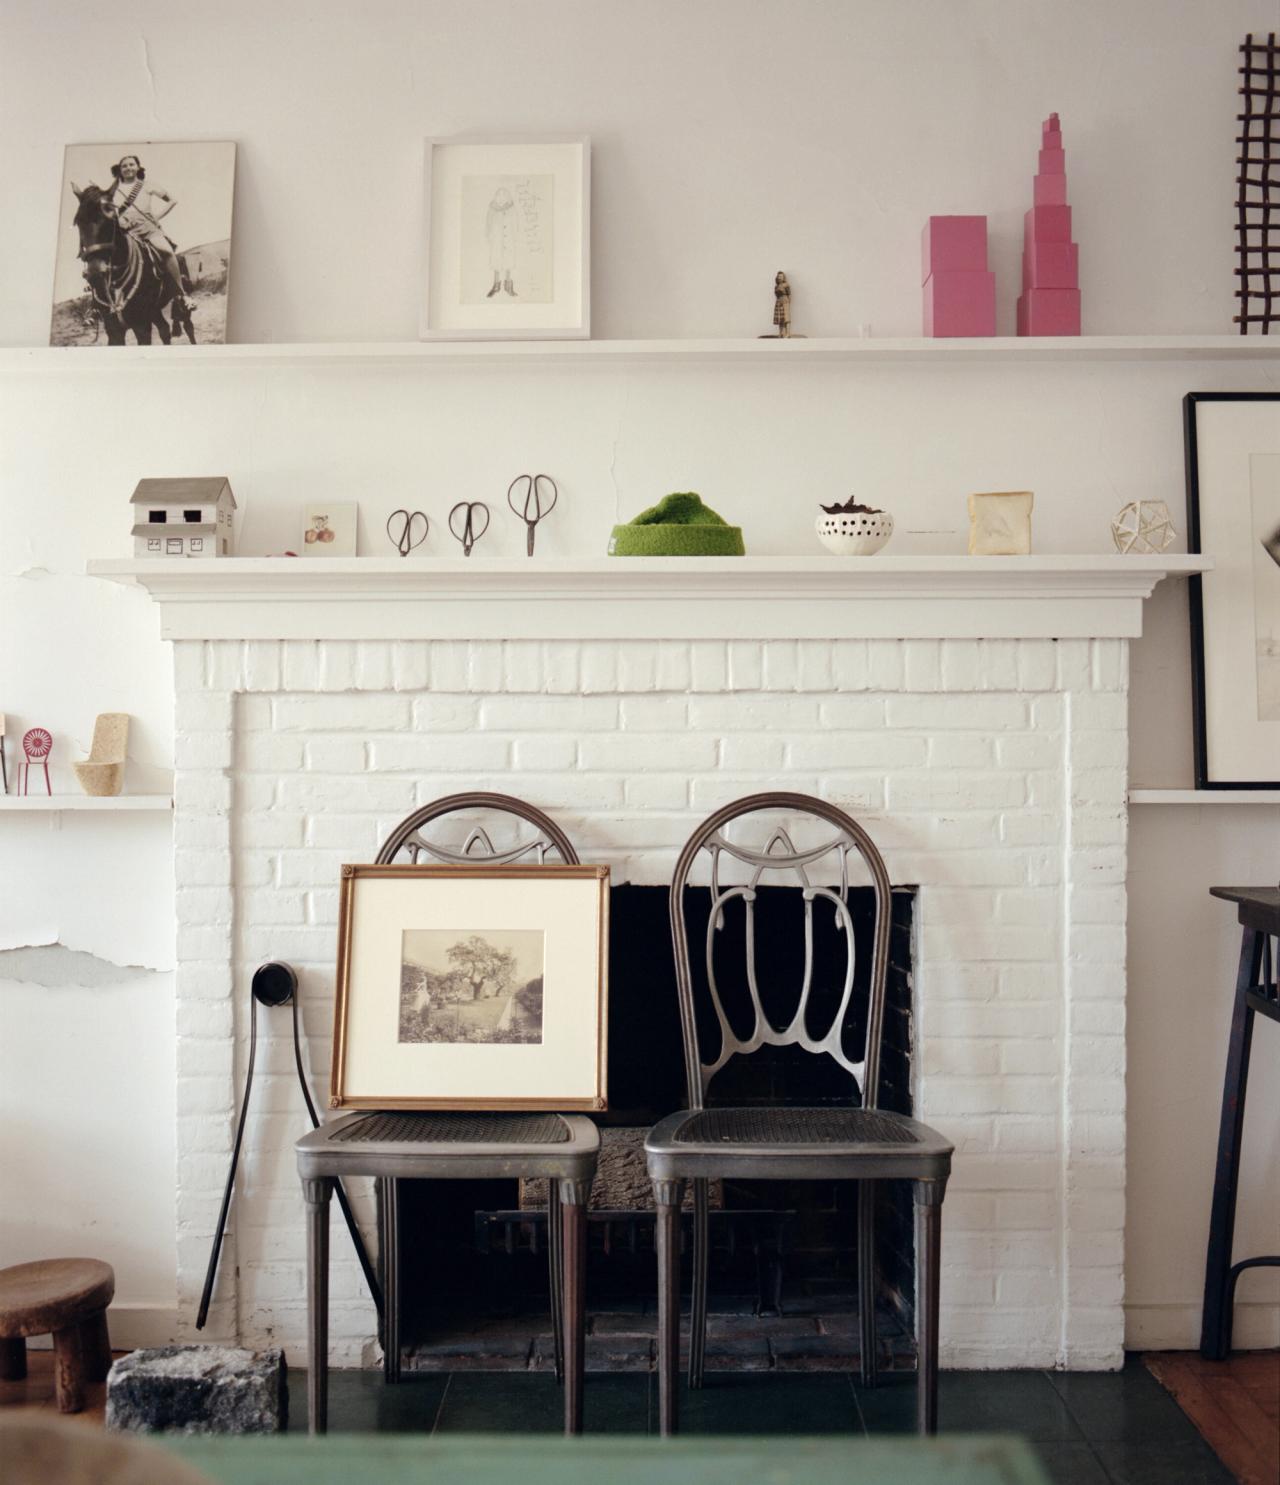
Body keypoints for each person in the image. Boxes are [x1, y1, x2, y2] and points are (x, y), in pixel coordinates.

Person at [107, 155, 194, 312]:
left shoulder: (147, 185)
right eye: (124, 166)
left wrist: (157, 216)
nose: (128, 168)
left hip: (148, 228)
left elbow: (172, 200)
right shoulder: (114, 190)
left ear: (138, 167)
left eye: (131, 164)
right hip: (125, 230)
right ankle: (100, 305)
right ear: (119, 170)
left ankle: (182, 294)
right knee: (106, 258)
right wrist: (118, 221)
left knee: (166, 251)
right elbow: (110, 213)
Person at [485, 186, 517, 298]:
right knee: (496, 260)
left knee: (508, 261)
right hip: (497, 239)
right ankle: (496, 285)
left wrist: (514, 236)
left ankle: (508, 286)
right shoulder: (492, 208)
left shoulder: (511, 208)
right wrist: (490, 237)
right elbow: (488, 224)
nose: (502, 197)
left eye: (504, 194)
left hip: (508, 239)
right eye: (500, 194)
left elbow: (515, 223)